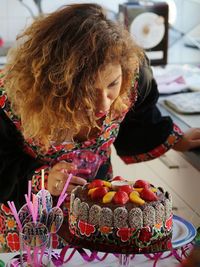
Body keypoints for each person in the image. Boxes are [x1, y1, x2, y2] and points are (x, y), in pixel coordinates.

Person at [0, 3, 200, 252]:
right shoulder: (13, 99)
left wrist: (171, 137)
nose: (104, 103)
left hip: (98, 217)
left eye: (112, 84)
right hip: (31, 222)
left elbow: (140, 116)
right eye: (86, 92)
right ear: (55, 85)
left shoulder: (131, 75)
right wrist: (42, 179)